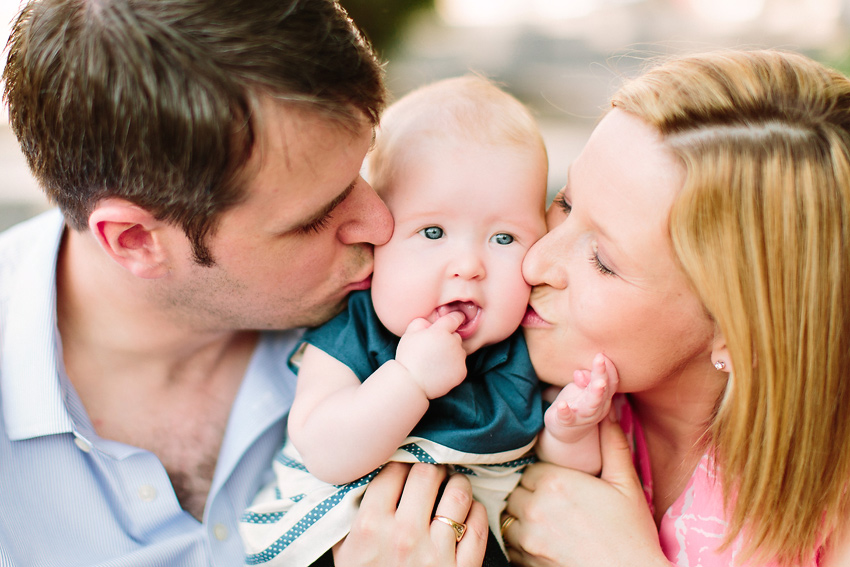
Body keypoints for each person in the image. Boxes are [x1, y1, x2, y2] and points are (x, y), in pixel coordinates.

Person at [0, 1, 490, 566]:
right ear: (136, 240)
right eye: (314, 218)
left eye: (363, 168)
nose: (381, 225)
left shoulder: (418, 308)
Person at [239, 75, 618, 567]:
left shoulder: (523, 343)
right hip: (334, 541)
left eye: (504, 239)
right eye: (433, 231)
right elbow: (327, 453)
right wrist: (409, 380)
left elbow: (562, 486)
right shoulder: (357, 333)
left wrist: (570, 432)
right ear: (376, 243)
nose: (469, 265)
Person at [499, 48, 850, 567]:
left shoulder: (831, 506)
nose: (533, 264)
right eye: (565, 203)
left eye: (602, 261)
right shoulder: (484, 373)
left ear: (739, 332)